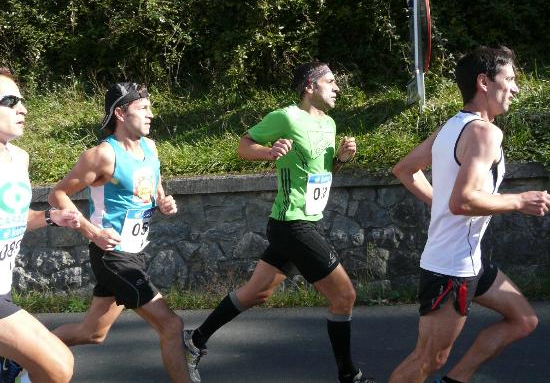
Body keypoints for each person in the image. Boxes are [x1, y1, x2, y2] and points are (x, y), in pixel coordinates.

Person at [182, 62, 375, 383]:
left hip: (304, 222)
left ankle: (194, 340)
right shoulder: (286, 117)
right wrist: (269, 152)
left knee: (255, 293)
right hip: (292, 224)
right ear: (310, 87)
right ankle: (349, 375)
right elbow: (243, 146)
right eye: (330, 81)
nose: (337, 88)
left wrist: (340, 159)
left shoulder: (329, 124)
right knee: (344, 297)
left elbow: (323, 173)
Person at [389, 46, 550, 383]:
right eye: (509, 79)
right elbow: (462, 202)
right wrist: (519, 201)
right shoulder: (484, 132)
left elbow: (405, 170)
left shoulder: (452, 126)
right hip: (451, 267)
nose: (516, 88)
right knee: (428, 360)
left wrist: (440, 204)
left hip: (470, 259)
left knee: (523, 320)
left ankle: (457, 379)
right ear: (484, 82)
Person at [47, 82, 192, 383]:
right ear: (121, 113)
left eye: (150, 108)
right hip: (112, 255)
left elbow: (152, 181)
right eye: (143, 108)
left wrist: (162, 200)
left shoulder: (150, 147)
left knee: (92, 333)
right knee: (171, 325)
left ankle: (22, 353)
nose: (151, 114)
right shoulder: (102, 155)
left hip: (134, 252)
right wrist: (92, 232)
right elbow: (57, 194)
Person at [0, 67, 80, 383]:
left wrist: (50, 217)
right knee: (57, 365)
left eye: (22, 100)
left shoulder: (19, 158)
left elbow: (14, 218)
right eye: (10, 101)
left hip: (4, 288)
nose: (23, 109)